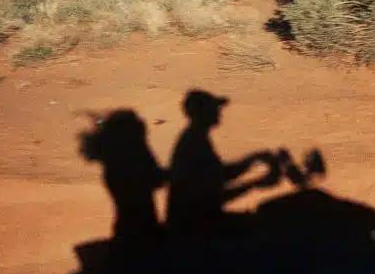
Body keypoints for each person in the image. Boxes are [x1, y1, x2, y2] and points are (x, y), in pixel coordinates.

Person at [166, 90, 280, 236]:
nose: (219, 112)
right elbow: (213, 196)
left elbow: (220, 176)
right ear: (202, 113)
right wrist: (254, 183)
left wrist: (253, 161)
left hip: (195, 222)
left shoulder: (195, 139)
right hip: (195, 228)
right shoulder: (194, 143)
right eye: (214, 108)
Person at [79, 109, 166, 247]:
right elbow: (155, 179)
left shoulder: (114, 162)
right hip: (141, 232)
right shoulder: (133, 160)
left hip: (127, 229)